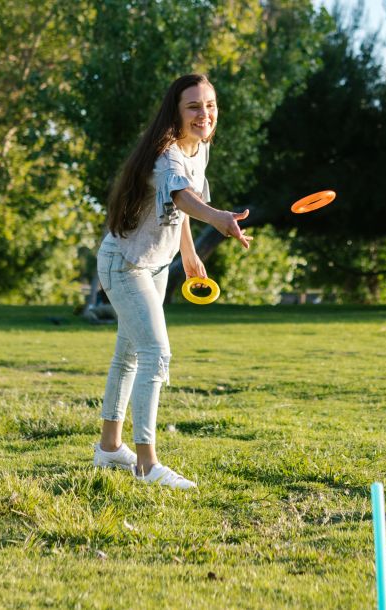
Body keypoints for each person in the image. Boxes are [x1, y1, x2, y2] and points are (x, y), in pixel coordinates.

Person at [92, 73, 252, 489]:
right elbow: (182, 196)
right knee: (156, 354)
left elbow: (176, 210)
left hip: (156, 265)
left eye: (210, 105)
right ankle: (146, 465)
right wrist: (217, 218)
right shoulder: (166, 156)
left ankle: (109, 448)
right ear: (175, 112)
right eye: (193, 106)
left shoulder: (199, 148)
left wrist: (189, 252)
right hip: (125, 263)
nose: (205, 114)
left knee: (129, 355)